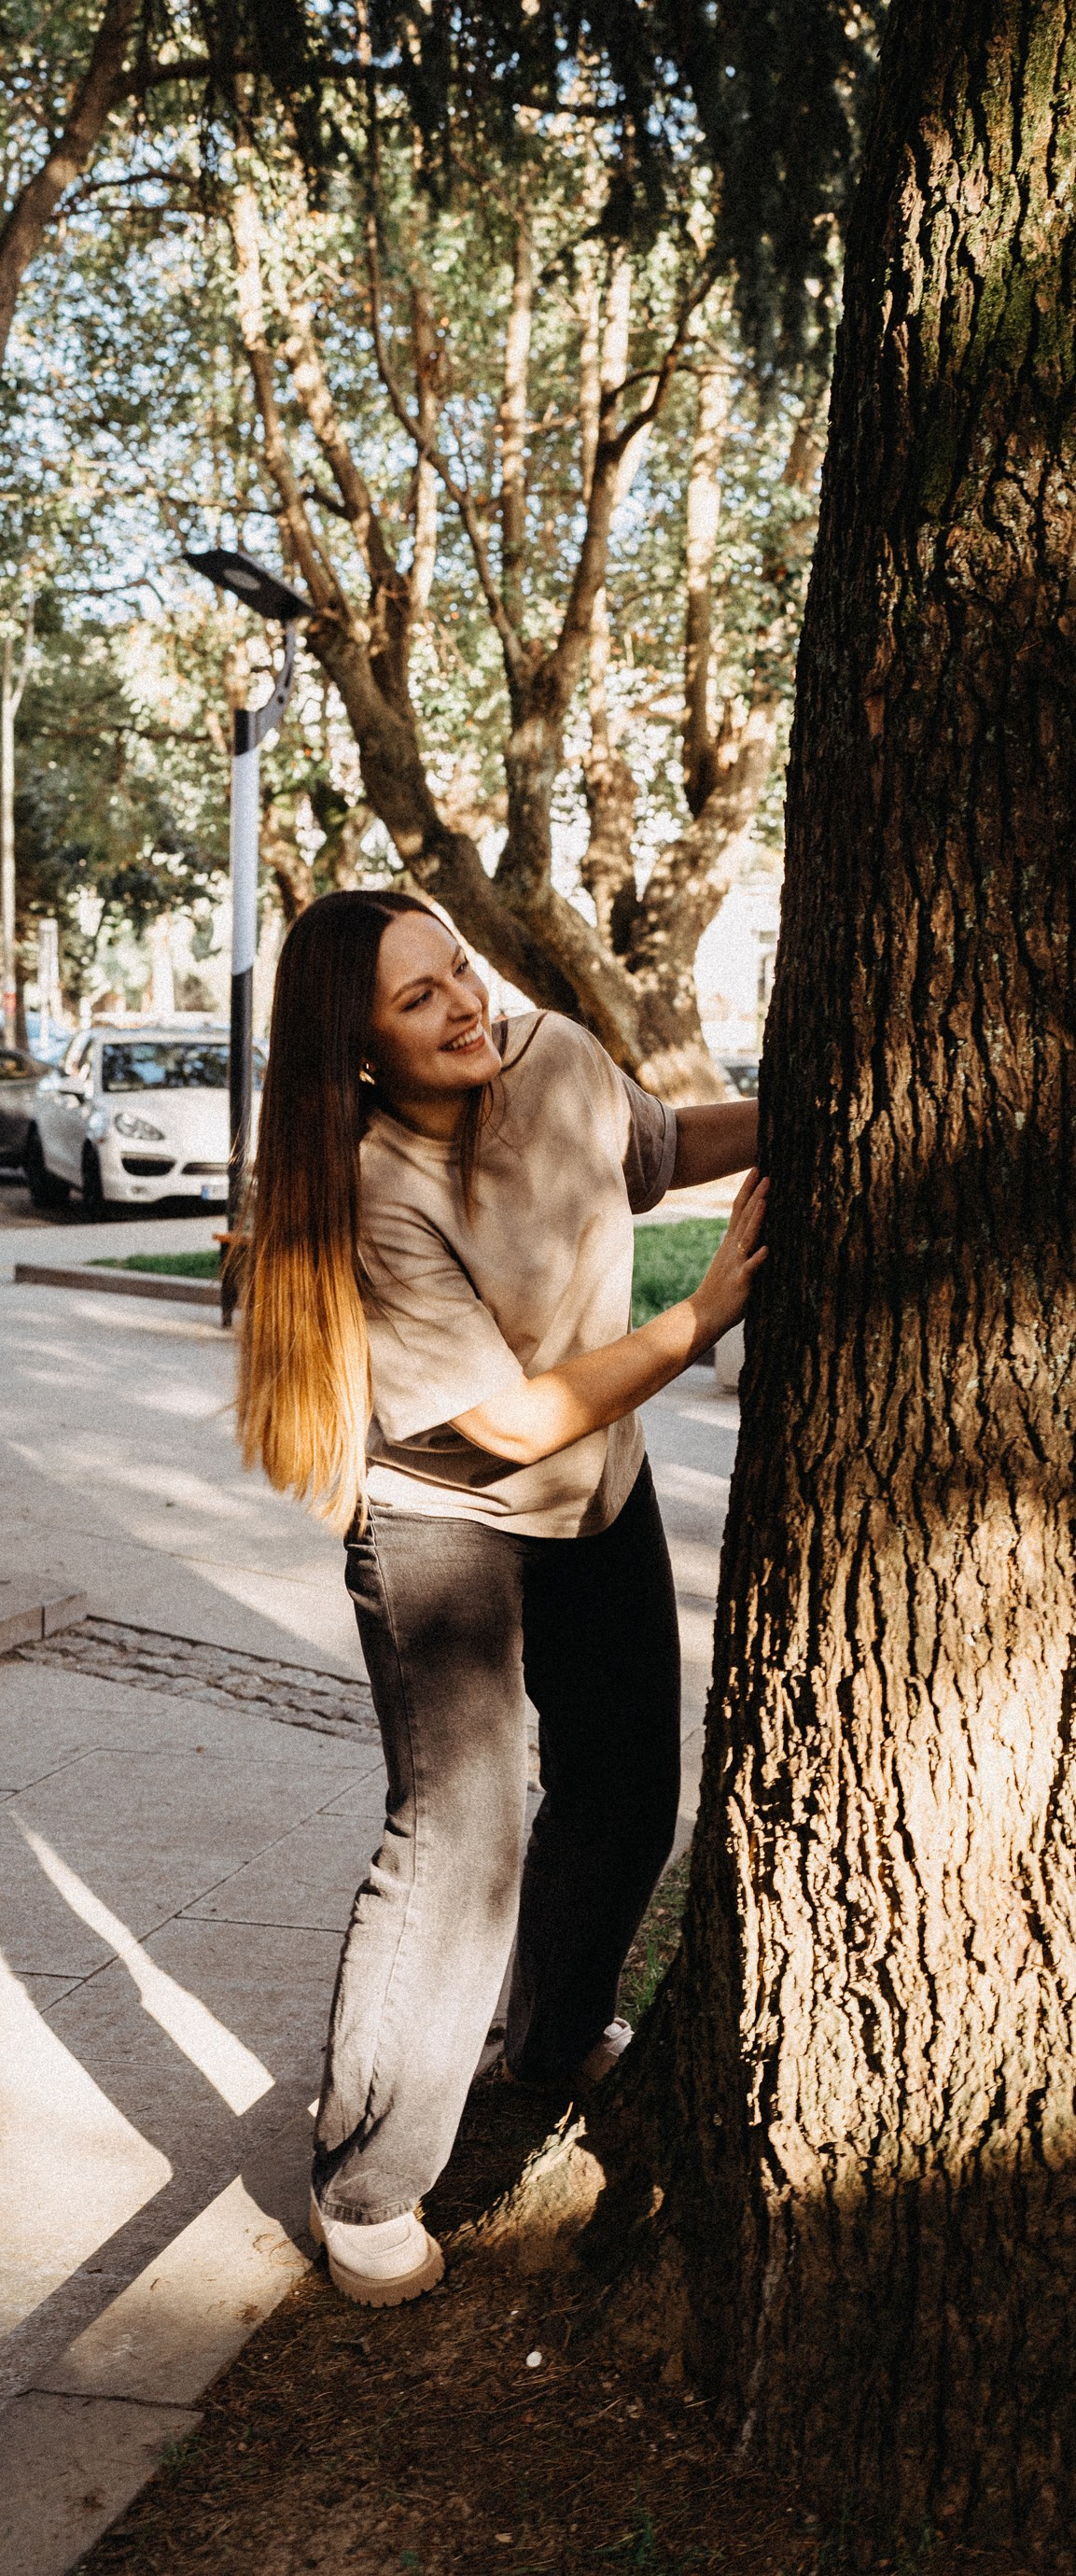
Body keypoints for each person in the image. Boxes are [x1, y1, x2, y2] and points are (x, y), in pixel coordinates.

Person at [236, 890, 766, 2307]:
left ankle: (547, 2039)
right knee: (456, 1841)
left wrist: (813, 1111)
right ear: (355, 1048)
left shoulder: (553, 1054)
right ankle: (364, 2183)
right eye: (419, 1001)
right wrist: (697, 1322)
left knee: (627, 1782)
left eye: (456, 971)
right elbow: (502, 1430)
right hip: (443, 1514)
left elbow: (652, 1149)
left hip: (599, 1484)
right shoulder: (366, 1186)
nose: (465, 1004)